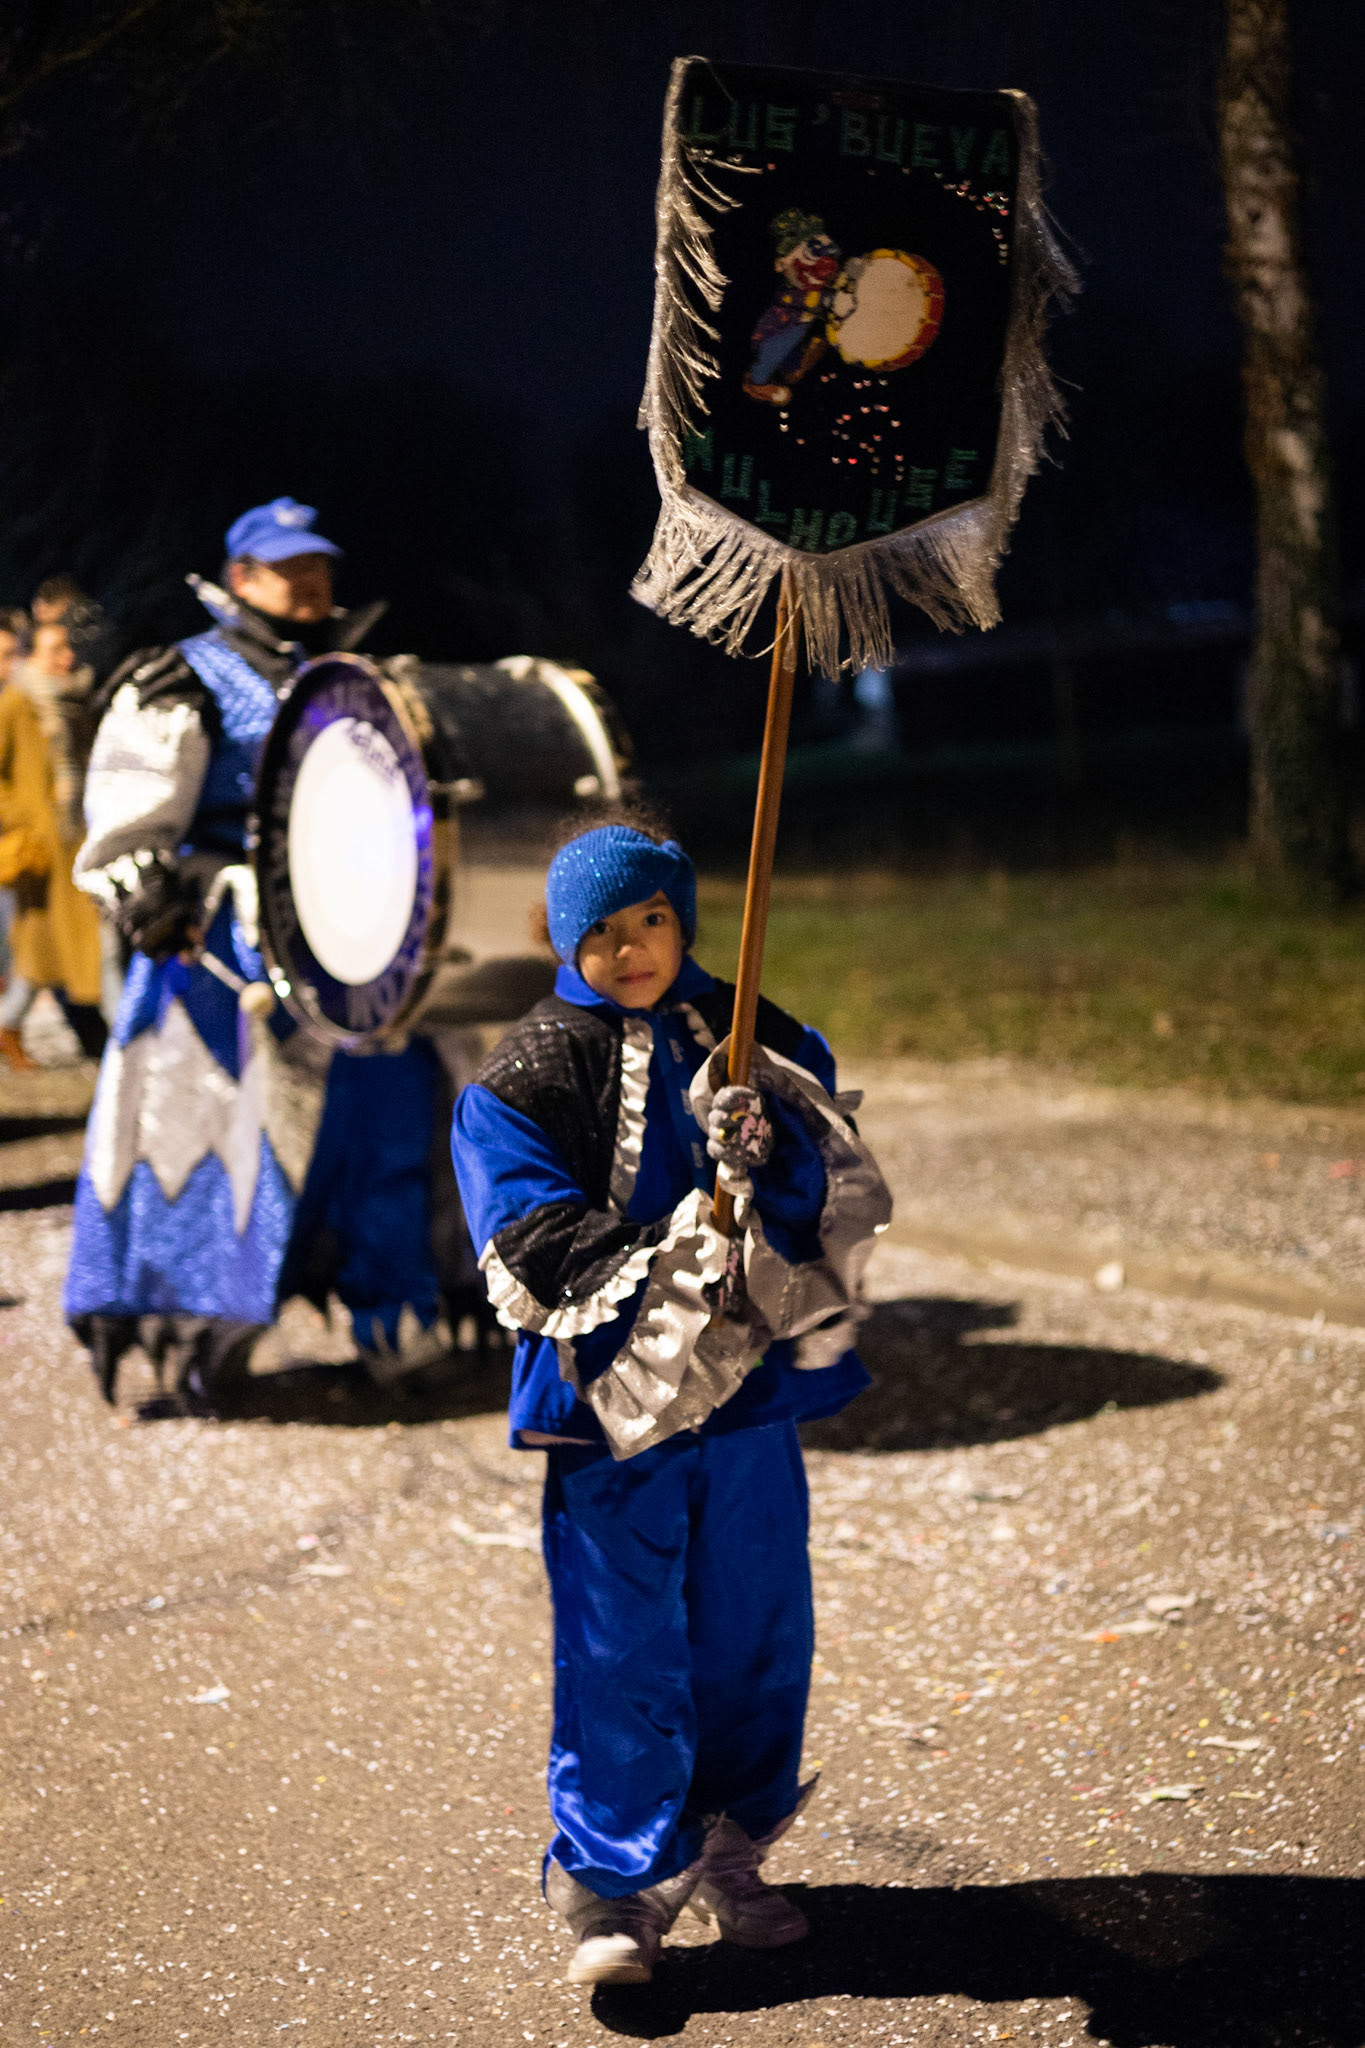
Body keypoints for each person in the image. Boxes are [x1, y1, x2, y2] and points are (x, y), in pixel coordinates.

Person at [450, 814, 891, 1986]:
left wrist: (776, 1142)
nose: (630, 946)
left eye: (651, 918)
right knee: (621, 1637)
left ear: (684, 921)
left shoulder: (748, 1032)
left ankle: (730, 1845)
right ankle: (619, 1884)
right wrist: (686, 1236)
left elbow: (827, 1168)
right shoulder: (530, 1070)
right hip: (613, 1403)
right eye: (600, 929)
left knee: (755, 1621)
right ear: (564, 939)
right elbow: (526, 1222)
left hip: (745, 1396)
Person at [63, 497, 445, 1413]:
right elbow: (126, 828)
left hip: (362, 942)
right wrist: (147, 894)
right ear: (239, 578)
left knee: (386, 1124)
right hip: (226, 949)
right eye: (286, 567)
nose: (308, 581)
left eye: (318, 564)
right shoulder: (181, 679)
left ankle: (398, 1324)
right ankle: (204, 1338)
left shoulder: (361, 675)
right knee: (224, 1139)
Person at [0, 614, 105, 1069]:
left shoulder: (76, 700)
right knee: (45, 948)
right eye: (54, 649)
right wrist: (23, 817)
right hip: (41, 848)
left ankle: (104, 1035)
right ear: (32, 656)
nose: (67, 657)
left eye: (68, 647)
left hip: (79, 836)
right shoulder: (17, 702)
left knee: (71, 948)